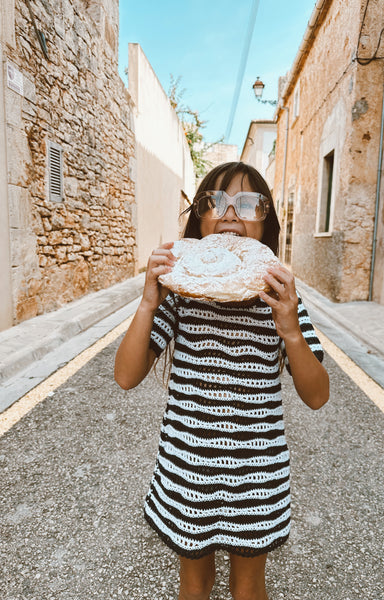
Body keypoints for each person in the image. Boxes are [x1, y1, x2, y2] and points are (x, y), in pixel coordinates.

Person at [115, 162, 329, 600]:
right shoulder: (181, 295)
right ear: (198, 219)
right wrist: (147, 303)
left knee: (248, 589)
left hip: (258, 473)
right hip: (187, 467)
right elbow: (125, 376)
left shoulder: (280, 296)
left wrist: (289, 326)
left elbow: (317, 395)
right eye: (214, 202)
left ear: (266, 220)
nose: (231, 214)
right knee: (194, 586)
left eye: (248, 203)